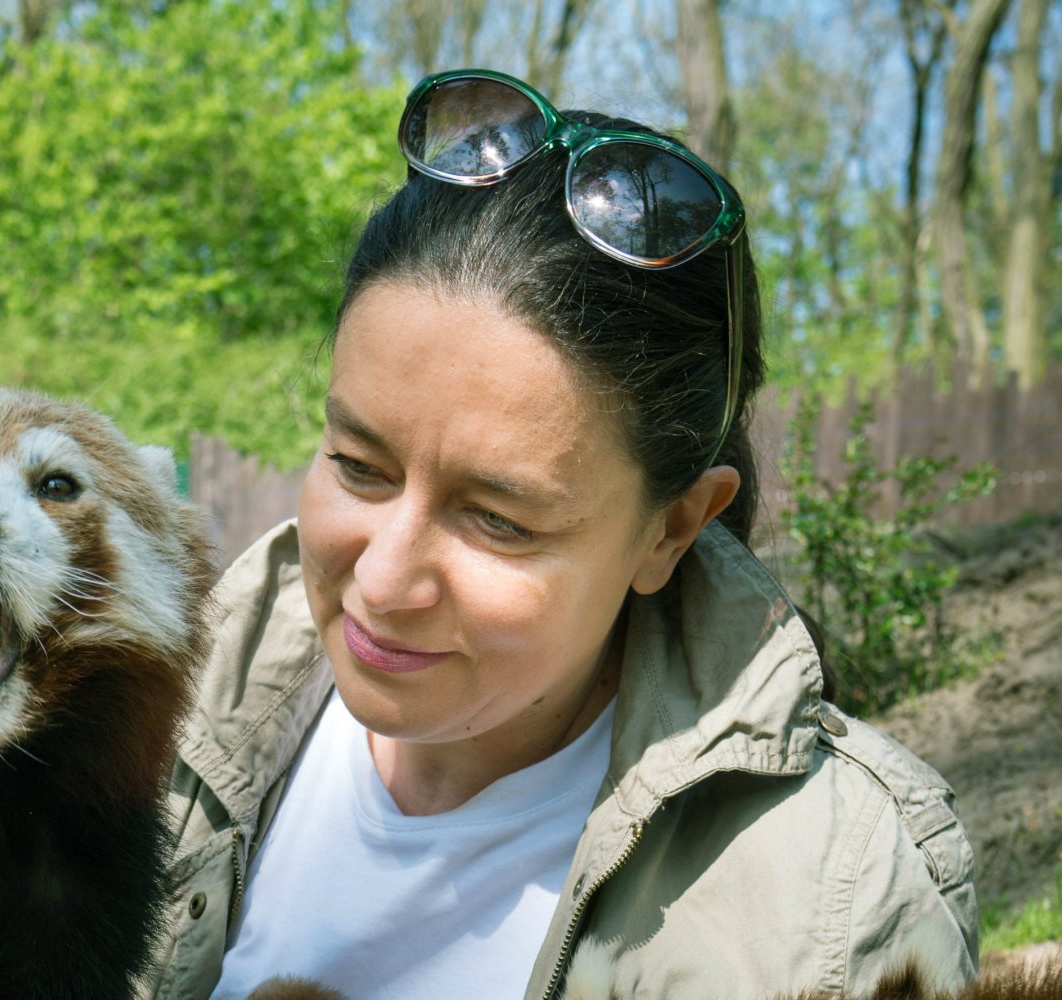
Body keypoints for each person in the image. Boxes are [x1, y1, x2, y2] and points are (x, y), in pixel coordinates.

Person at [144, 69, 977, 1000]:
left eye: (497, 520)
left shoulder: (834, 903)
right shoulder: (136, 714)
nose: (382, 583)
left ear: (671, 531)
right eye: (358, 466)